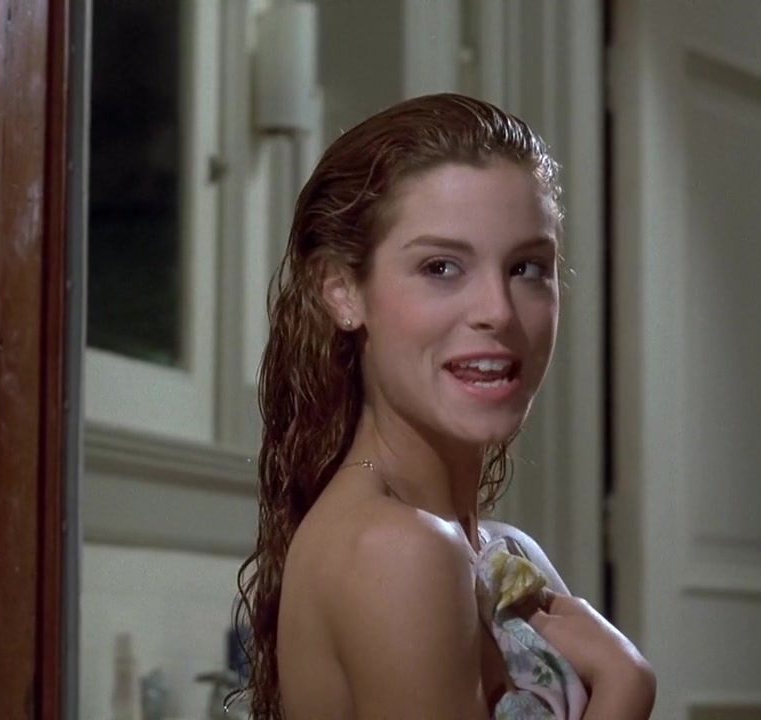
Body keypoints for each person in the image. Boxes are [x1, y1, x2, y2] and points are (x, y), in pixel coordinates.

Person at [233, 93, 655, 719]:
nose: (498, 311)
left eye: (526, 268)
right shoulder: (396, 550)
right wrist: (625, 687)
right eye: (441, 267)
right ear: (342, 291)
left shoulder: (504, 554)